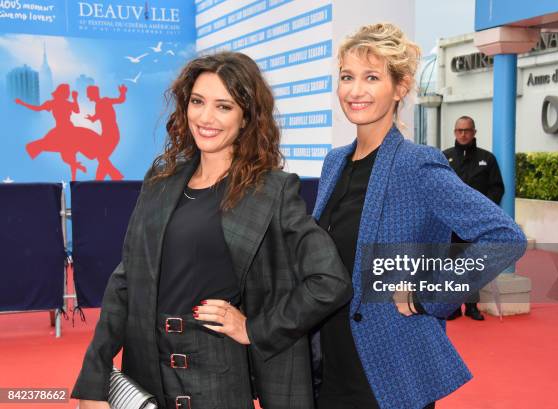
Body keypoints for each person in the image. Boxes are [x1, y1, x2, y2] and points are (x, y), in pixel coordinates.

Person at [71, 52, 352, 409]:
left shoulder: (271, 191)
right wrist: (94, 379)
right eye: (198, 102)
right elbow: (125, 281)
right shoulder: (161, 181)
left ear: (247, 116)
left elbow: (330, 281)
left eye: (224, 106)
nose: (206, 117)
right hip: (148, 374)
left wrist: (254, 328)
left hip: (217, 379)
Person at [312, 23, 526, 409]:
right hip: (326, 363)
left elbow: (504, 236)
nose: (355, 90)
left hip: (387, 371)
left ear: (400, 87)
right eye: (347, 77)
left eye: (371, 77)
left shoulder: (418, 165)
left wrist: (430, 294)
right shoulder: (333, 163)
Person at [443, 116, 505, 320]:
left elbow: (497, 188)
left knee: (473, 265)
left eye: (467, 130)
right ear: (454, 132)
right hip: (451, 224)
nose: (463, 134)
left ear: (474, 132)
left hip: (477, 225)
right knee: (452, 266)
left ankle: (471, 306)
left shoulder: (487, 159)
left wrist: (483, 214)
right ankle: (452, 307)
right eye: (459, 130)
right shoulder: (445, 158)